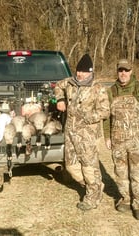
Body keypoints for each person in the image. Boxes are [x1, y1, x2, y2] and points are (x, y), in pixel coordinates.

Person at [54, 54, 110, 211]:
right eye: (78, 70)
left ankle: (92, 198)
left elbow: (105, 112)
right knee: (71, 166)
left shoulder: (98, 88)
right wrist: (60, 99)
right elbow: (58, 86)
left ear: (90, 72)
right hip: (70, 132)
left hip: (87, 134)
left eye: (84, 72)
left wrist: (85, 118)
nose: (80, 74)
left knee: (89, 167)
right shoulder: (70, 82)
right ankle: (95, 187)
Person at [103, 59, 139, 220]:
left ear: (131, 71)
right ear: (117, 72)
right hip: (117, 141)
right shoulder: (111, 91)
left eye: (126, 70)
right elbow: (106, 117)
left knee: (138, 172)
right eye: (120, 70)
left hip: (136, 141)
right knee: (121, 172)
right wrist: (107, 136)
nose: (123, 73)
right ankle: (126, 199)